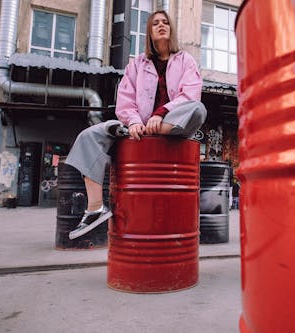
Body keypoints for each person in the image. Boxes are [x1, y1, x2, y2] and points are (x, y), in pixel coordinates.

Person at [66, 10, 207, 240]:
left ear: (171, 29)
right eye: (155, 23)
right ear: (149, 32)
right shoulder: (136, 65)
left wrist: (160, 115)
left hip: (172, 124)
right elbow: (125, 100)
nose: (161, 26)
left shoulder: (185, 60)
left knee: (198, 109)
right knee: (88, 135)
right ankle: (95, 208)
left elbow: (190, 95)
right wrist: (133, 122)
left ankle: (153, 128)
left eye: (165, 22)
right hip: (137, 128)